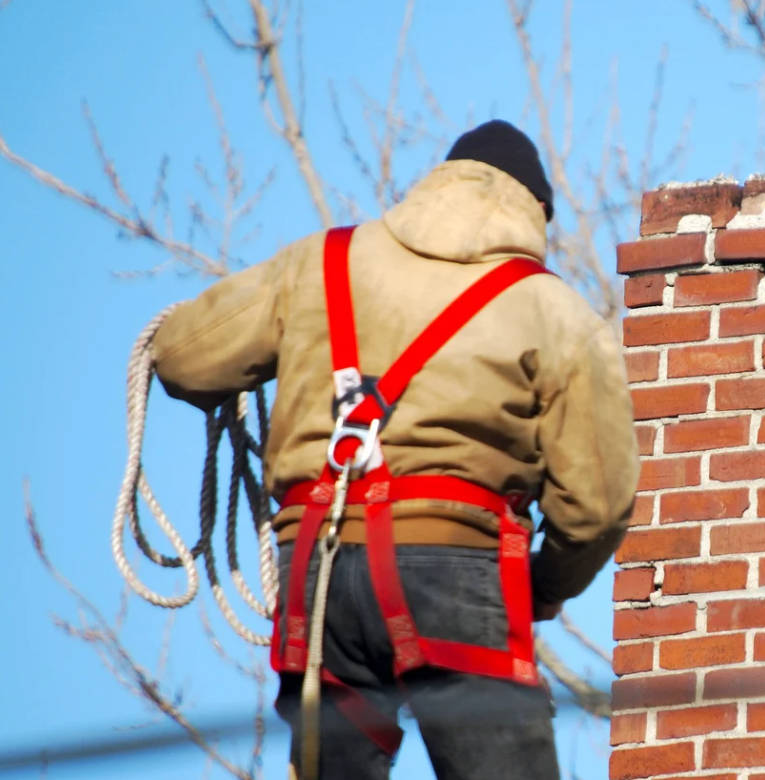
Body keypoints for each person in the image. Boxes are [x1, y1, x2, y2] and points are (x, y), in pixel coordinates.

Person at [151, 120, 638, 779]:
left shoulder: (316, 264)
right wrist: (544, 586)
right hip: (456, 571)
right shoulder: (557, 313)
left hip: (317, 573)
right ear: (536, 212)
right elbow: (598, 507)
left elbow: (183, 358)